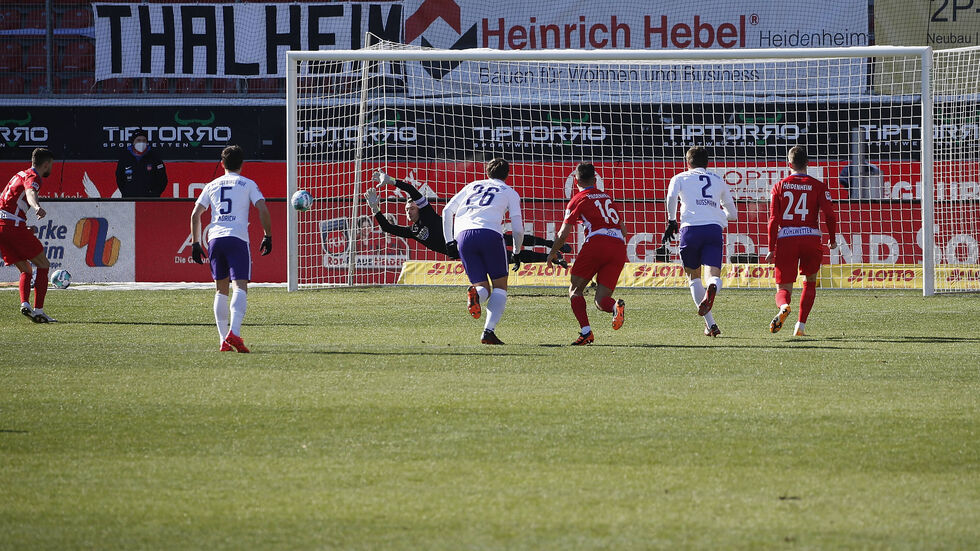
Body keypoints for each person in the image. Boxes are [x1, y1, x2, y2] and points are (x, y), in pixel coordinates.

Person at [365, 171, 569, 267]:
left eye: (410, 206)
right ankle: (553, 259)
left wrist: (392, 181)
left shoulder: (426, 212)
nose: (407, 210)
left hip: (467, 235)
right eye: (406, 208)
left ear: (418, 206)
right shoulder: (413, 231)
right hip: (463, 252)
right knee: (508, 258)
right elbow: (388, 228)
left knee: (510, 239)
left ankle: (551, 244)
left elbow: (411, 189)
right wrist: (375, 208)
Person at [189, 145, 273, 353]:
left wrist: (195, 243)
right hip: (237, 238)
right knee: (240, 286)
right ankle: (234, 332)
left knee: (220, 289)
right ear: (242, 164)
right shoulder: (248, 184)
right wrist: (268, 235)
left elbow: (195, 215)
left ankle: (222, 340)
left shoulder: (212, 185)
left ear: (222, 163)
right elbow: (262, 208)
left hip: (215, 238)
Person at [441, 158, 523, 345]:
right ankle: (488, 332)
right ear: (507, 174)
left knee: (482, 287)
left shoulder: (472, 185)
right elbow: (518, 229)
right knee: (500, 286)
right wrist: (517, 252)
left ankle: (476, 294)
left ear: (487, 172)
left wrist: (449, 242)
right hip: (490, 234)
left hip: (463, 237)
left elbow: (447, 211)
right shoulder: (509, 192)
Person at [546, 162, 628, 345]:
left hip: (597, 244)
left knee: (575, 290)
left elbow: (563, 234)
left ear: (576, 180)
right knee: (601, 300)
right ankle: (615, 306)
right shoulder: (607, 197)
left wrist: (552, 253)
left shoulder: (578, 199)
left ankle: (586, 333)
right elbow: (623, 230)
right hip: (618, 247)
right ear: (595, 179)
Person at [662, 146, 737, 337]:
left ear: (687, 163)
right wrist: (717, 214)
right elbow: (733, 214)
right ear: (708, 163)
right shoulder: (718, 180)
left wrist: (671, 220)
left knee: (693, 278)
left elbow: (671, 197)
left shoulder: (679, 178)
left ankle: (711, 325)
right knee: (713, 275)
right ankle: (713, 290)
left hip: (690, 229)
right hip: (713, 229)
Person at [765, 146, 838, 336]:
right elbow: (830, 214)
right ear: (808, 163)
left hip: (787, 238)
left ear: (788, 164)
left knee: (783, 287)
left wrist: (771, 247)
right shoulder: (818, 185)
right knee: (810, 282)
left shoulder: (779, 185)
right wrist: (832, 238)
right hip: (811, 237)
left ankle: (784, 306)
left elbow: (773, 220)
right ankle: (800, 326)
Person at [0, 148, 57, 323]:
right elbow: (31, 192)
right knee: (44, 264)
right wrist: (36, 207)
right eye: (51, 165)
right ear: (46, 164)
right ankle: (39, 310)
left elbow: (7, 202)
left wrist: (22, 225)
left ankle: (25, 304)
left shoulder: (19, 174)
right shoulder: (34, 177)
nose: (51, 169)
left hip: (3, 226)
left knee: (26, 269)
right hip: (12, 226)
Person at [116, 129, 167, 197]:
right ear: (133, 142)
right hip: (129, 200)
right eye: (138, 140)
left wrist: (154, 194)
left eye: (144, 140)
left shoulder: (155, 158)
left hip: (150, 200)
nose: (141, 143)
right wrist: (127, 193)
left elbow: (162, 180)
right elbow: (120, 178)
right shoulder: (125, 158)